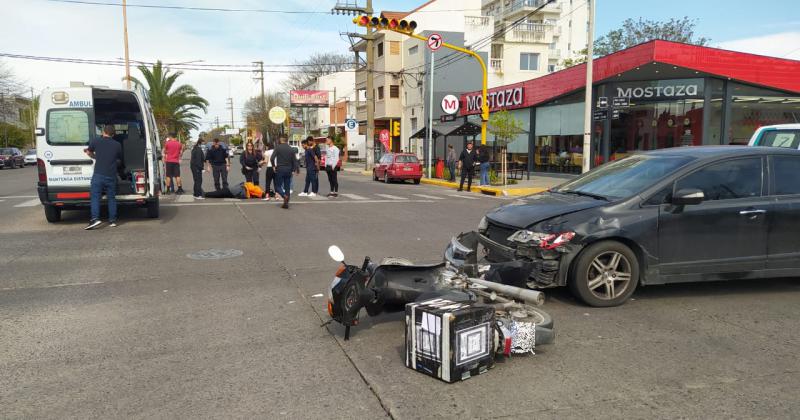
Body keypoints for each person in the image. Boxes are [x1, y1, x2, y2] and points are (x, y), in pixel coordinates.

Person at [84, 124, 123, 230]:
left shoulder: (96, 141)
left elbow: (89, 151)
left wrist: (94, 156)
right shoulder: (117, 144)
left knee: (95, 197)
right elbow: (119, 159)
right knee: (111, 198)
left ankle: (95, 219)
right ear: (113, 134)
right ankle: (113, 221)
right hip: (111, 175)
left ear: (103, 132)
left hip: (99, 174)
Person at [270, 136, 299, 209]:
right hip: (289, 170)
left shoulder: (278, 147)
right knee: (287, 187)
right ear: (286, 141)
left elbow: (272, 158)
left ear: (280, 140)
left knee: (277, 186)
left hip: (280, 169)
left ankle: (284, 196)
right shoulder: (291, 149)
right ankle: (286, 203)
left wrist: (273, 166)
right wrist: (294, 170)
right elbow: (294, 161)